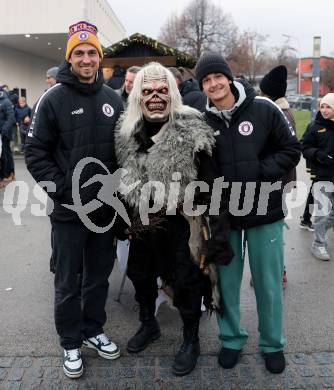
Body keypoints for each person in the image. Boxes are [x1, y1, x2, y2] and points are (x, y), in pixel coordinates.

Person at [115, 62, 233, 376]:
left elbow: (214, 184)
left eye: (162, 90)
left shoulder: (193, 128)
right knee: (140, 276)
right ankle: (148, 324)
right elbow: (120, 179)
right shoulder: (126, 131)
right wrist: (124, 218)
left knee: (186, 283)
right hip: (143, 223)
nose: (155, 96)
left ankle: (190, 339)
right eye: (148, 91)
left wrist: (218, 233)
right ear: (138, 94)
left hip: (182, 223)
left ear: (173, 93)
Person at [25, 21, 124, 379]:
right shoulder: (52, 99)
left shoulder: (114, 99)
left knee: (98, 277)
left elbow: (123, 155)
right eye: (79, 53)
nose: (86, 58)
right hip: (68, 211)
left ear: (100, 58)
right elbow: (36, 154)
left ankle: (93, 330)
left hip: (104, 212)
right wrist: (64, 190)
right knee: (68, 280)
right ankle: (70, 342)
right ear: (69, 59)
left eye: (92, 52)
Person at [195, 52, 301, 374]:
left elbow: (291, 150)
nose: (214, 84)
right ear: (203, 86)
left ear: (229, 77)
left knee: (268, 284)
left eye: (218, 77)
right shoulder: (200, 122)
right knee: (226, 282)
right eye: (207, 80)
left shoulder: (264, 109)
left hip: (264, 212)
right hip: (224, 217)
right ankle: (231, 339)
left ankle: (272, 343)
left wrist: (259, 171)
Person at [259, 64, 298, 288]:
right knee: (275, 227)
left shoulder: (276, 114)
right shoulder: (287, 111)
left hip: (274, 181)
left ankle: (276, 271)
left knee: (271, 231)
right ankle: (277, 270)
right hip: (283, 180)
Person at [301, 93, 334, 261]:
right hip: (322, 177)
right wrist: (319, 155)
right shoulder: (314, 126)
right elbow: (304, 147)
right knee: (322, 212)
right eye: (322, 106)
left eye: (328, 107)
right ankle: (318, 244)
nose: (325, 110)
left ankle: (321, 235)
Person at [0, 86, 15, 187]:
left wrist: (4, 130)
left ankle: (10, 173)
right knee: (2, 155)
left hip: (4, 133)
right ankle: (5, 174)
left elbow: (11, 117)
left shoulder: (6, 101)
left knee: (6, 154)